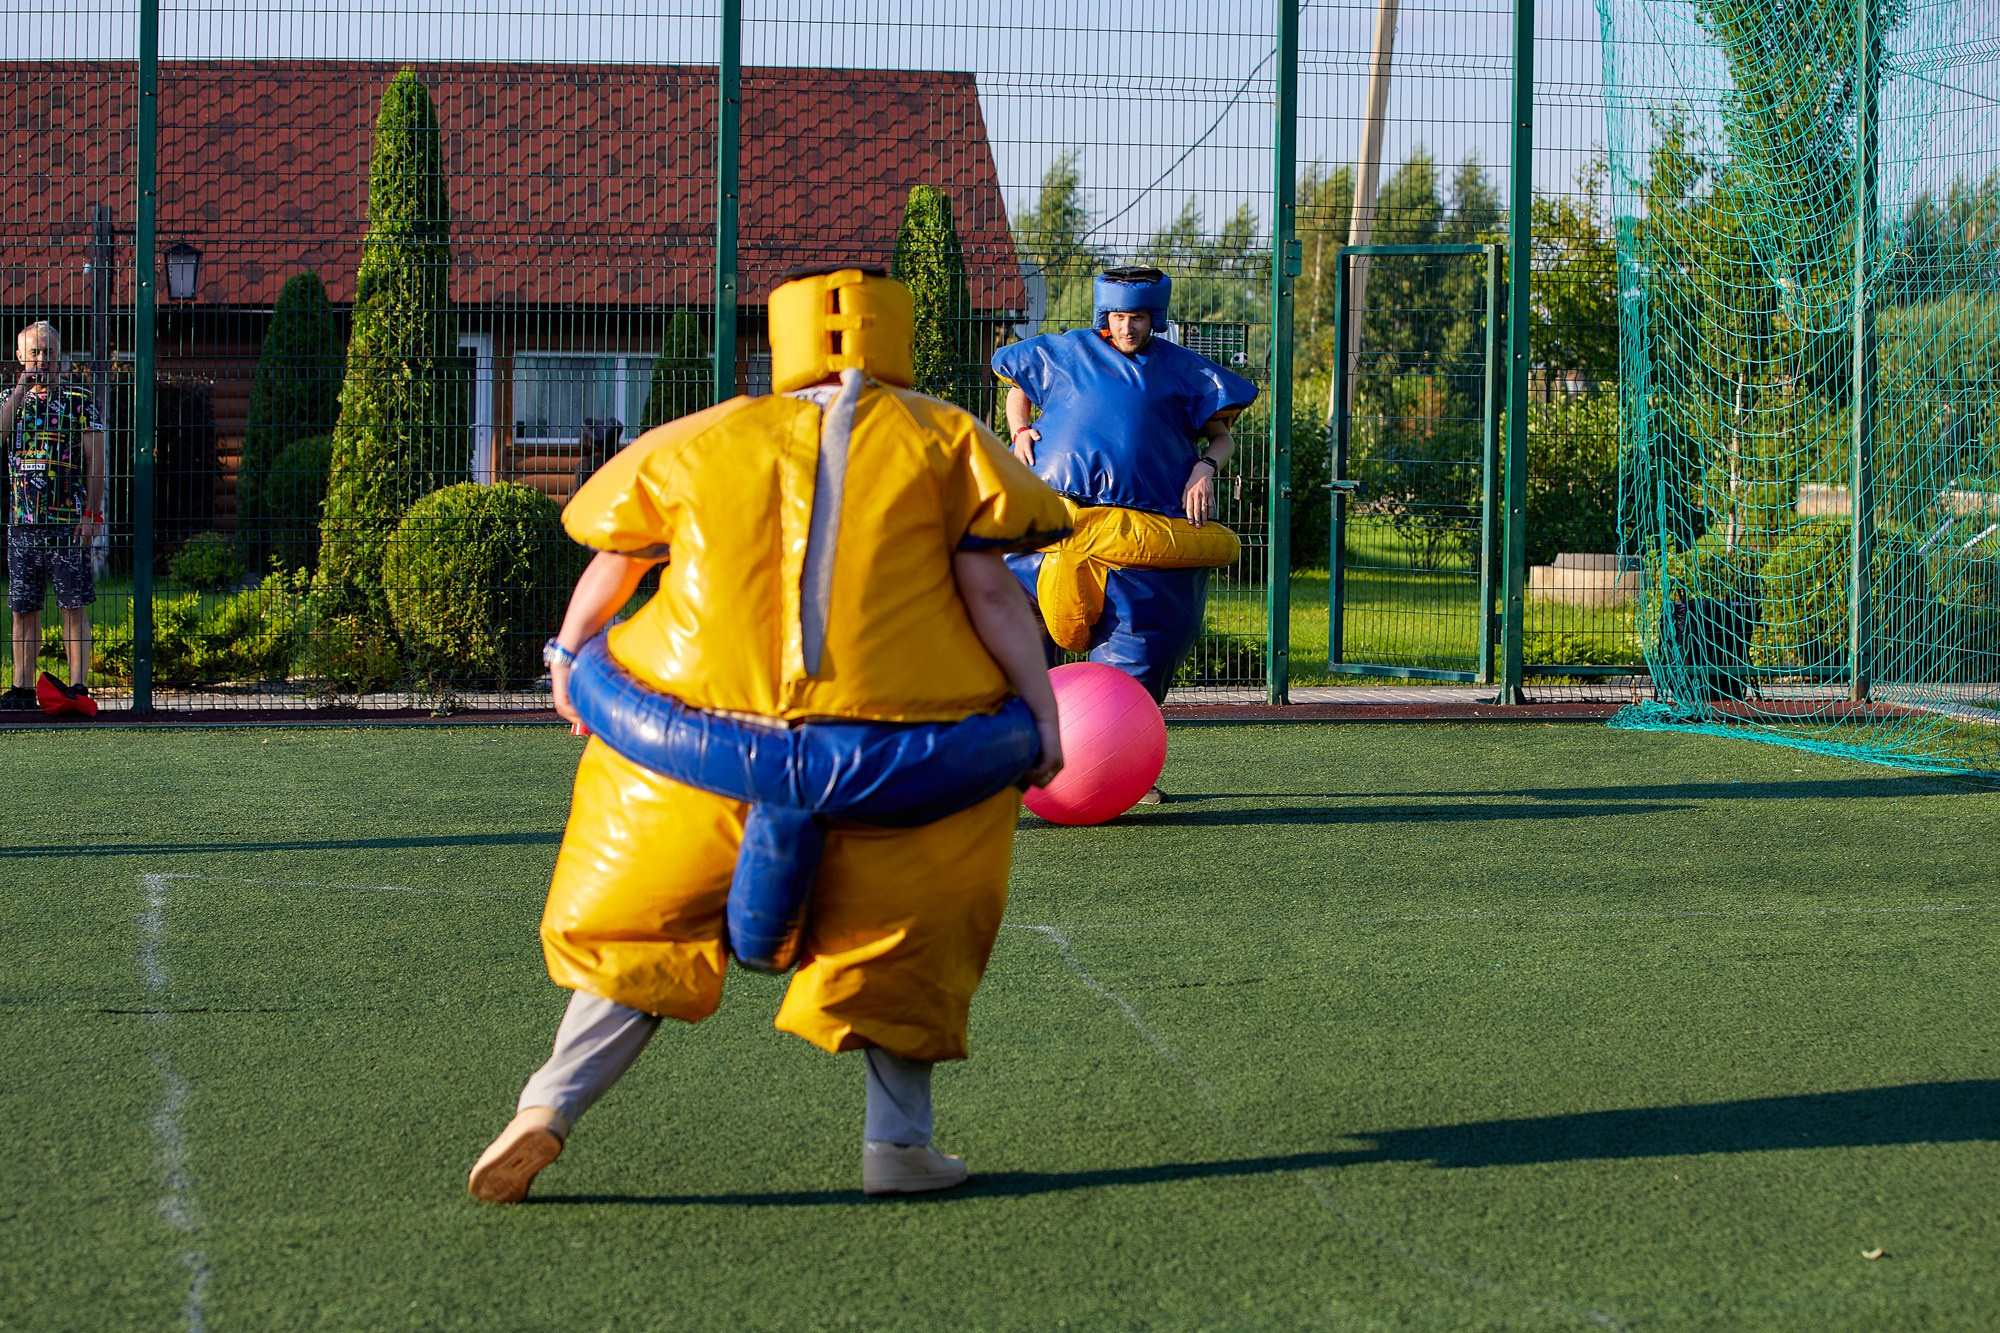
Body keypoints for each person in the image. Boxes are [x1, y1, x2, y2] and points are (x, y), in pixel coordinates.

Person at [467, 265, 1073, 1204]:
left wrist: (566, 653)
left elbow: (618, 556)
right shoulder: (948, 439)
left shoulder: (708, 435)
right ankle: (897, 1147)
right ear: (895, 336)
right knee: (900, 951)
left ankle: (548, 1103)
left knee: (638, 940)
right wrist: (1041, 716)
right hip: (894, 763)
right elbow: (991, 593)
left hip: (687, 748)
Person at [992, 267, 1258, 800]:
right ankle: (1014, 763)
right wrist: (1019, 429)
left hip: (1139, 542)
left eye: (1136, 317)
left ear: (1153, 318)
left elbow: (1222, 437)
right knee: (1014, 641)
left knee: (1136, 657)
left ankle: (1118, 768)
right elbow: (1018, 388)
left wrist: (1205, 468)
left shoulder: (1181, 370)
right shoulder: (1067, 353)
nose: (1126, 327)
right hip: (1049, 531)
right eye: (1117, 317)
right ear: (1104, 316)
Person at [1, 322, 104, 712]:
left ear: (61, 357)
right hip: (23, 522)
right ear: (20, 357)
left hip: (68, 523)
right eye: (34, 353)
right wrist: (19, 390)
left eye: (49, 352)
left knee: (72, 606)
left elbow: (96, 462)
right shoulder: (10, 399)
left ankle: (78, 685)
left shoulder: (80, 400)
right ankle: (21, 688)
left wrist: (91, 514)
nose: (42, 360)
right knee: (23, 608)